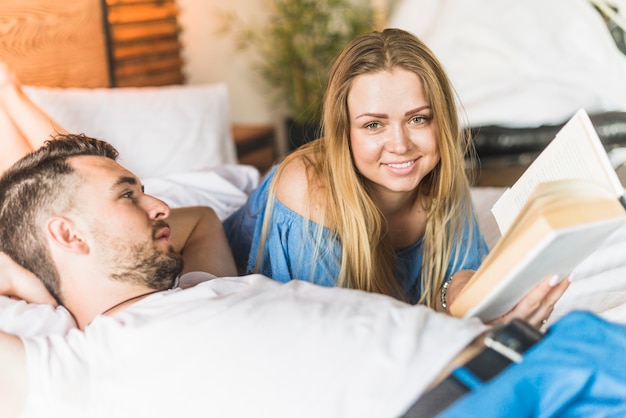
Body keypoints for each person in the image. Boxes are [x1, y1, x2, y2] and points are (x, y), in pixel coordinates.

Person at [1, 135, 626, 418]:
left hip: (547, 356)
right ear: (67, 234)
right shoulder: (74, 372)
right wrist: (23, 272)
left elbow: (196, 223)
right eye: (127, 195)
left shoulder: (195, 284)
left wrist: (58, 255)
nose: (159, 205)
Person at [224, 28, 568, 324]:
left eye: (418, 119)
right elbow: (347, 339)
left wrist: (475, 304)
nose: (401, 145)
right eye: (374, 125)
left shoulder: (437, 174)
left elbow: (454, 279)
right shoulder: (308, 188)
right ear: (344, 132)